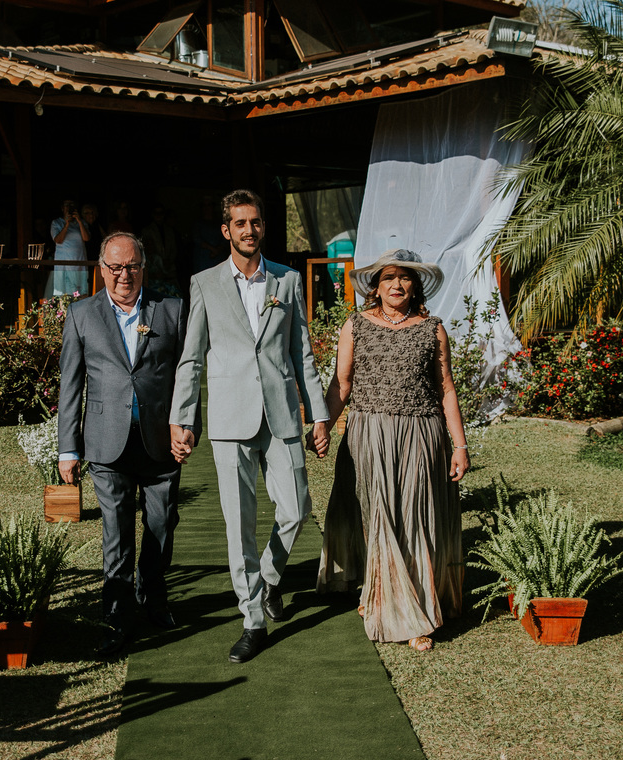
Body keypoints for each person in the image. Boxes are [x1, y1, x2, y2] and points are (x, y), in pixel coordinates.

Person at [169, 188, 329, 664]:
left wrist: (319, 413)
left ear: (263, 226)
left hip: (281, 413)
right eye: (239, 223)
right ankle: (253, 621)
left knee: (297, 508)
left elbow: (301, 351)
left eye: (255, 222)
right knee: (239, 526)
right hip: (230, 417)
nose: (249, 230)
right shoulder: (204, 283)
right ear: (226, 230)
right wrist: (183, 417)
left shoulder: (287, 280)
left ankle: (270, 579)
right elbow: (191, 358)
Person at [314, 248, 470, 652]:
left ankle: (413, 607)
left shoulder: (433, 328)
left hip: (422, 434)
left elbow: (446, 389)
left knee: (415, 520)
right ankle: (383, 596)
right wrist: (324, 424)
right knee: (378, 515)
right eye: (388, 277)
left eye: (405, 278)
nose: (397, 284)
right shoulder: (355, 325)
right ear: (375, 286)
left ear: (415, 286)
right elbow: (342, 384)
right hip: (370, 433)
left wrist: (460, 445)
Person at [58, 231, 191, 656]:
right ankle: (116, 617)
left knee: (161, 525)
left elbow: (188, 377)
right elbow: (70, 385)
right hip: (106, 443)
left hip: (159, 443)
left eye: (131, 266)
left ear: (143, 268)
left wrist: (186, 424)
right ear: (101, 270)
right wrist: (68, 449)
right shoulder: (81, 314)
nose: (123, 275)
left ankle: (153, 595)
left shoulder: (171, 310)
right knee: (116, 532)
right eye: (115, 267)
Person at [51, 199, 91, 296]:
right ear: (62, 208)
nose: (69, 208)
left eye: (72, 205)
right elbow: (58, 240)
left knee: (80, 293)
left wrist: (79, 221)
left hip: (79, 262)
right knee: (64, 294)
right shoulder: (57, 223)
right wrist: (67, 224)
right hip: (64, 264)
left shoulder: (82, 223)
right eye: (67, 205)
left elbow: (86, 238)